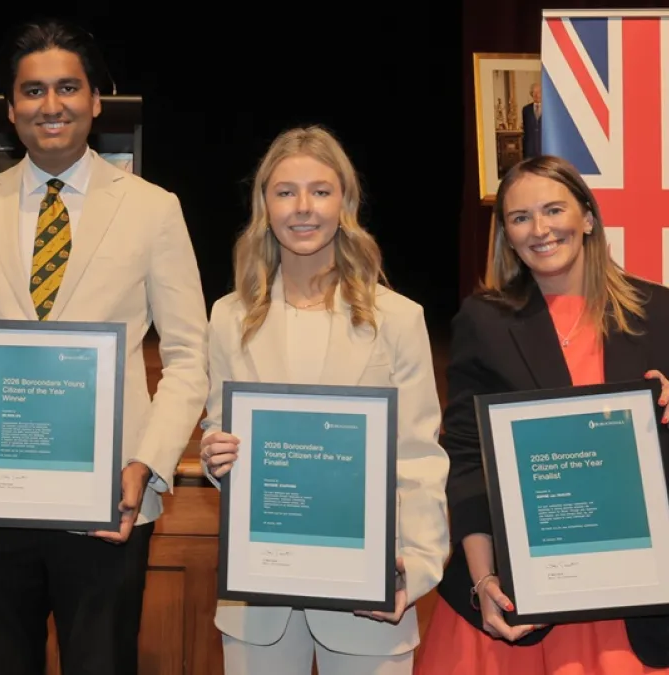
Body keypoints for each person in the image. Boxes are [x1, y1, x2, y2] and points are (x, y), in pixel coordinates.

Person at [0, 18, 208, 675]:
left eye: (68, 87)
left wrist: (147, 464)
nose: (52, 105)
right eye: (34, 91)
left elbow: (189, 357)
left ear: (97, 99)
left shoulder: (154, 209)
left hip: (109, 502)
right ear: (10, 108)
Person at [200, 126, 450, 675]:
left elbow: (419, 457)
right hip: (258, 604)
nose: (303, 207)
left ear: (346, 202)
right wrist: (216, 457)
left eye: (321, 190)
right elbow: (221, 432)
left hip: (371, 594)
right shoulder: (227, 317)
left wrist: (419, 567)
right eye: (285, 192)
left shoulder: (399, 319)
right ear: (264, 205)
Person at [413, 155, 669, 674]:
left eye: (554, 209)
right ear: (506, 234)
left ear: (588, 218)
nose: (540, 229)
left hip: (637, 602)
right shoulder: (484, 322)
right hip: (524, 598)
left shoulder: (660, 313)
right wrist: (485, 582)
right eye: (520, 217)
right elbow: (466, 462)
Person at [522, 81, 542, 158]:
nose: (537, 95)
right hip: (529, 150)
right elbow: (525, 130)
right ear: (531, 94)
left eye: (539, 92)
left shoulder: (549, 108)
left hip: (544, 148)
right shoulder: (526, 109)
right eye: (534, 92)